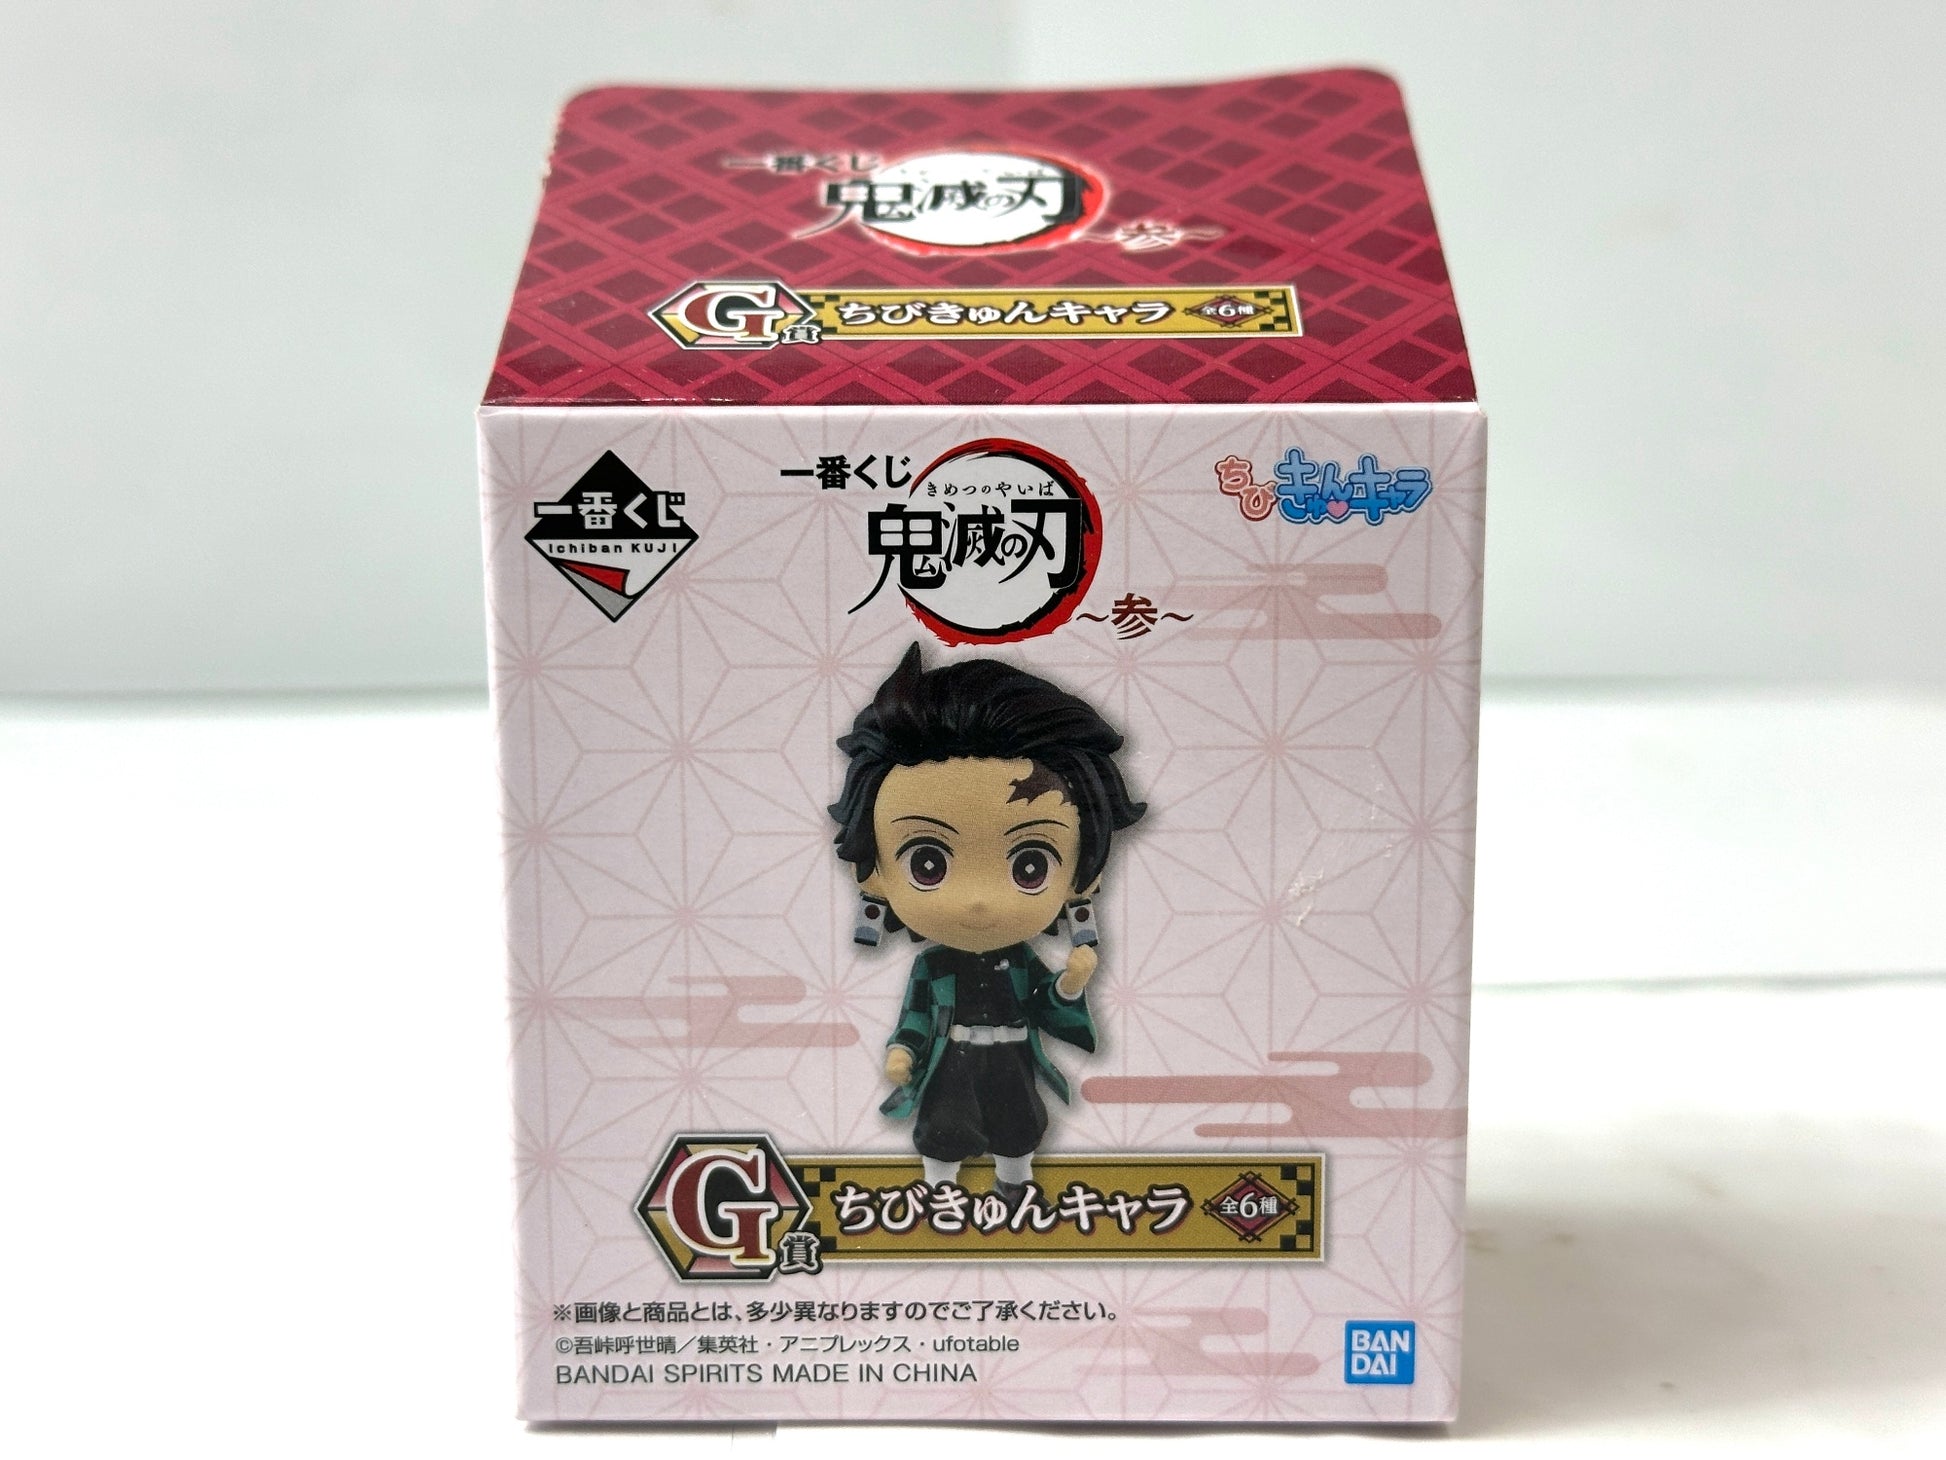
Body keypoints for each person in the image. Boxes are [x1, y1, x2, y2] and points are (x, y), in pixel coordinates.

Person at [830, 644, 1146, 1202]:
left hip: (1011, 1057)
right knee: (943, 1128)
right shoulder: (933, 967)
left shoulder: (1022, 961)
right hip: (950, 1059)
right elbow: (915, 1018)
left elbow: (1047, 1007)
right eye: (928, 864)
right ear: (874, 873)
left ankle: (1015, 1191)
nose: (977, 901)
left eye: (1030, 866)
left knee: (1017, 1124)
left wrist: (1070, 984)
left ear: (1082, 876)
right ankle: (938, 1197)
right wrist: (903, 1051)